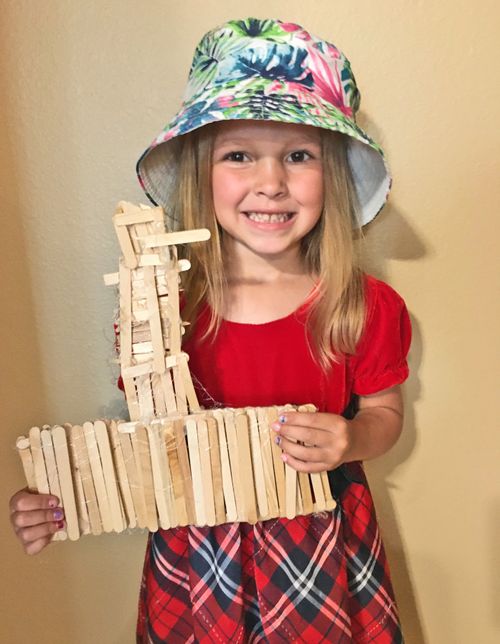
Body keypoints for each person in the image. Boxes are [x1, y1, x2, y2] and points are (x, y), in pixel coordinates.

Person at [10, 18, 411, 643]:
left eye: (299, 155)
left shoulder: (364, 305)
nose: (271, 182)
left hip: (321, 546)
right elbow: (143, 437)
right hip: (197, 551)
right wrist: (68, 496)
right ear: (203, 174)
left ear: (330, 176)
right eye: (240, 155)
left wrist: (352, 438)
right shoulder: (165, 310)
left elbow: (386, 413)